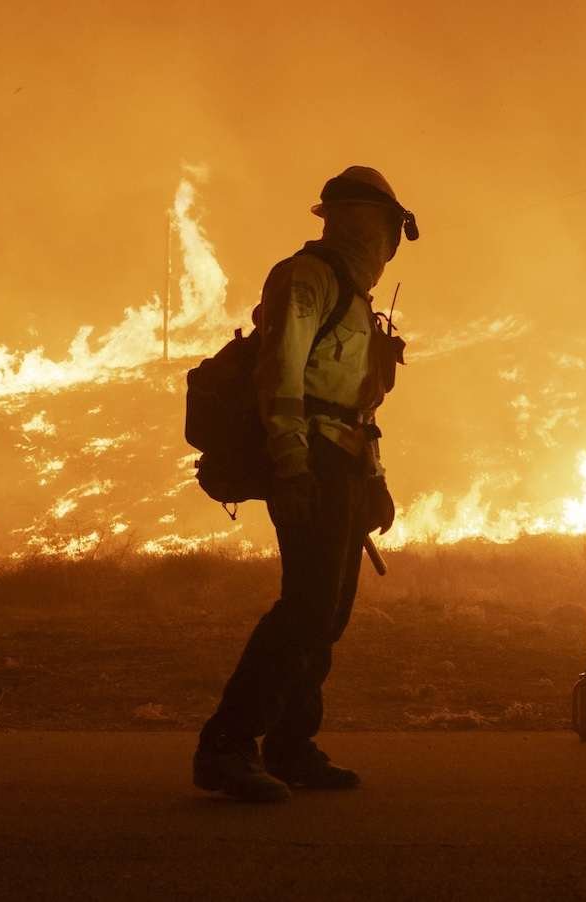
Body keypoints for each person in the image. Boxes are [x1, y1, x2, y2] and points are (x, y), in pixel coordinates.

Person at [192, 166, 411, 802]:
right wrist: (291, 465)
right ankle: (226, 745)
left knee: (329, 612)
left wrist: (372, 480)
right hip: (309, 459)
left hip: (341, 459)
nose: (387, 246)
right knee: (307, 606)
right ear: (362, 225)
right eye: (387, 230)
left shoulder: (352, 294)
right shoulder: (306, 278)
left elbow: (356, 406)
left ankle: (290, 746)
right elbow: (281, 374)